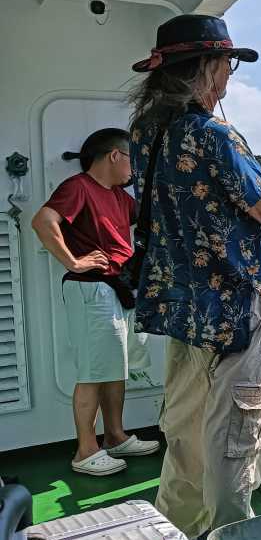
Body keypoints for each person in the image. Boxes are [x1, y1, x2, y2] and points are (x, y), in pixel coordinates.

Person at [127, 14, 261, 540]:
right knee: (234, 443)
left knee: (186, 438)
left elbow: (210, 193)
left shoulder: (147, 133)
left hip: (184, 310)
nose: (229, 75)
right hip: (235, 311)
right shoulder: (212, 132)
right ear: (206, 68)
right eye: (227, 64)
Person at [31, 129, 159, 477]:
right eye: (132, 158)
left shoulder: (119, 196)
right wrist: (74, 261)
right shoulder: (78, 187)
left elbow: (150, 216)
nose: (134, 167)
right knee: (92, 371)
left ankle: (115, 437)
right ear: (114, 156)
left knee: (114, 367)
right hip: (91, 290)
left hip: (118, 288)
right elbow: (43, 221)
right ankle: (85, 450)